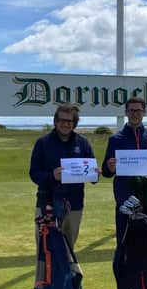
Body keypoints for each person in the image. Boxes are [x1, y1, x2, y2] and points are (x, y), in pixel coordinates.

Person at [101, 96, 147, 289]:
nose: (135, 113)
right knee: (123, 250)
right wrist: (109, 167)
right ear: (126, 113)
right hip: (125, 204)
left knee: (145, 250)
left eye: (138, 110)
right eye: (131, 110)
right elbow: (107, 171)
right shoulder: (116, 139)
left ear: (144, 112)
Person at [29, 103, 98, 250]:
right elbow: (34, 174)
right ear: (55, 121)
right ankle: (46, 275)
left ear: (74, 123)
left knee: (68, 248)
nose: (65, 124)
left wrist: (95, 174)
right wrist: (52, 176)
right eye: (62, 120)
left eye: (69, 121)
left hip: (74, 204)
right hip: (47, 203)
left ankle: (68, 274)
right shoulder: (43, 143)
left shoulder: (83, 143)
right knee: (45, 249)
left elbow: (93, 177)